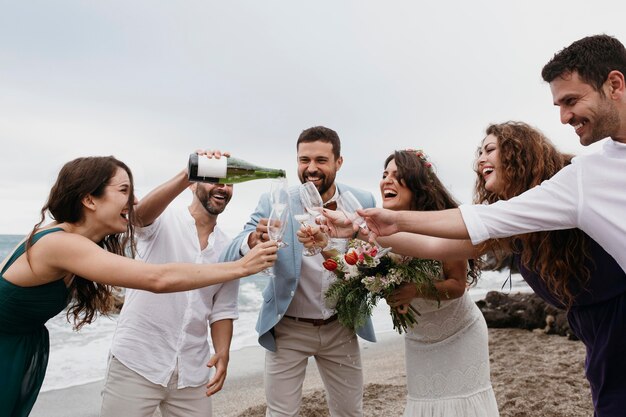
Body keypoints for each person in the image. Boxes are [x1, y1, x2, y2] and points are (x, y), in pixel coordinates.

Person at [346, 122, 625, 416]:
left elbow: (459, 238)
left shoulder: (566, 189)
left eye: (490, 149)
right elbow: (435, 247)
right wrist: (359, 231)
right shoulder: (514, 220)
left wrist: (385, 224)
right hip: (591, 325)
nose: (480, 159)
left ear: (520, 153)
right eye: (479, 152)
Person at [0, 155, 277, 417]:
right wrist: (242, 266)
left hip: (20, 347)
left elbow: (221, 307)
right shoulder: (60, 243)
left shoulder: (80, 242)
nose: (133, 200)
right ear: (89, 200)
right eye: (123, 191)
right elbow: (158, 278)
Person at [357, 34, 626, 274]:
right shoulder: (580, 180)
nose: (564, 117)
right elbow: (472, 224)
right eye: (559, 105)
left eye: (571, 101)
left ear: (614, 85)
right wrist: (370, 227)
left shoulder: (574, 176)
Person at [299, 150, 499, 416]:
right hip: (419, 338)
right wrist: (325, 245)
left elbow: (457, 284)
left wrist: (415, 290)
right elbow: (352, 270)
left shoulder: (441, 221)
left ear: (416, 183)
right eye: (384, 175)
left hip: (459, 333)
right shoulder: (375, 228)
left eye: (397, 175)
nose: (386, 181)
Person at [220, 126, 376, 417]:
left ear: (338, 162)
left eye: (321, 160)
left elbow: (374, 255)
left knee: (350, 412)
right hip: (288, 328)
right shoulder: (275, 201)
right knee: (280, 413)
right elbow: (230, 252)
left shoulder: (363, 200)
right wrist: (253, 241)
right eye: (304, 160)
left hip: (340, 326)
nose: (311, 168)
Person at [100, 150, 242, 417]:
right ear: (194, 184)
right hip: (137, 361)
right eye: (214, 179)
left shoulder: (228, 248)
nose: (222, 187)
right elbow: (138, 218)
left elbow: (222, 309)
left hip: (192, 370)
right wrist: (189, 171)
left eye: (229, 181)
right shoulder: (164, 220)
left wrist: (223, 352)